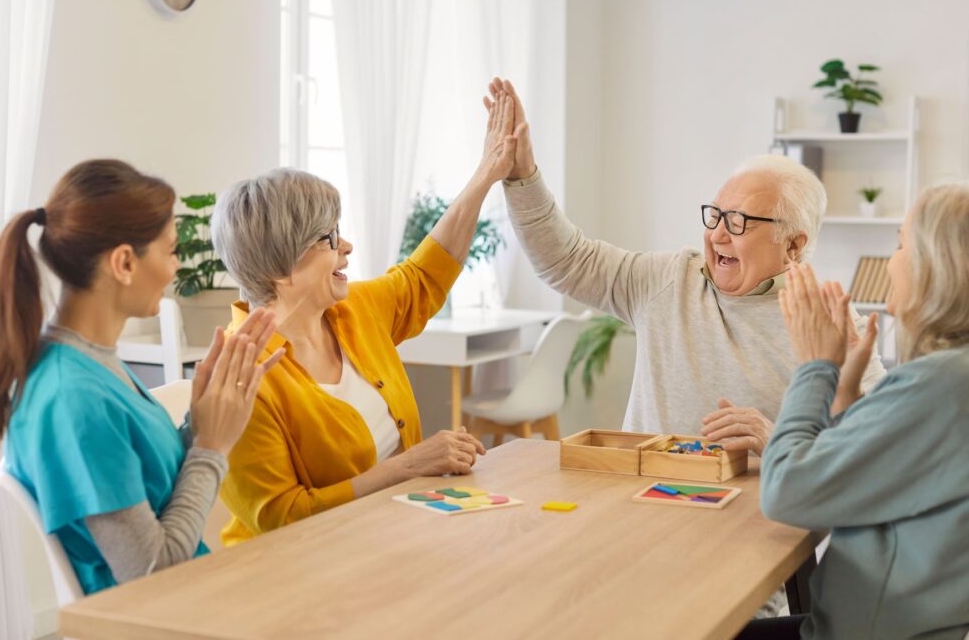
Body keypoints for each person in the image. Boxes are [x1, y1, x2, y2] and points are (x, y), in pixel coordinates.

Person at [487, 78, 886, 454]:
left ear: (794, 245)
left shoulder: (827, 320)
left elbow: (873, 443)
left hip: (752, 517)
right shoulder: (668, 279)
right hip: (648, 504)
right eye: (715, 215)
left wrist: (775, 439)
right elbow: (566, 260)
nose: (717, 235)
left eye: (739, 221)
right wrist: (522, 177)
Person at [211, 87, 524, 544]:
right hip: (293, 574)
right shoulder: (241, 377)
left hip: (388, 541)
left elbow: (424, 275)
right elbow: (282, 519)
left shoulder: (352, 309)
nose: (347, 247)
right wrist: (409, 467)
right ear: (281, 266)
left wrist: (486, 174)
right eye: (328, 238)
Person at [0, 159, 282, 594]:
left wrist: (202, 421)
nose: (175, 269)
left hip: (197, 595)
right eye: (171, 251)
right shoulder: (73, 398)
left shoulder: (92, 363)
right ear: (125, 263)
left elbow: (151, 482)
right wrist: (211, 447)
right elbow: (150, 572)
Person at [744, 185, 969, 639]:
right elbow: (870, 469)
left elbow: (786, 491)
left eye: (901, 243)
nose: (890, 260)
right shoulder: (951, 379)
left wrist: (814, 368)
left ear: (935, 266)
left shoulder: (942, 384)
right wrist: (845, 387)